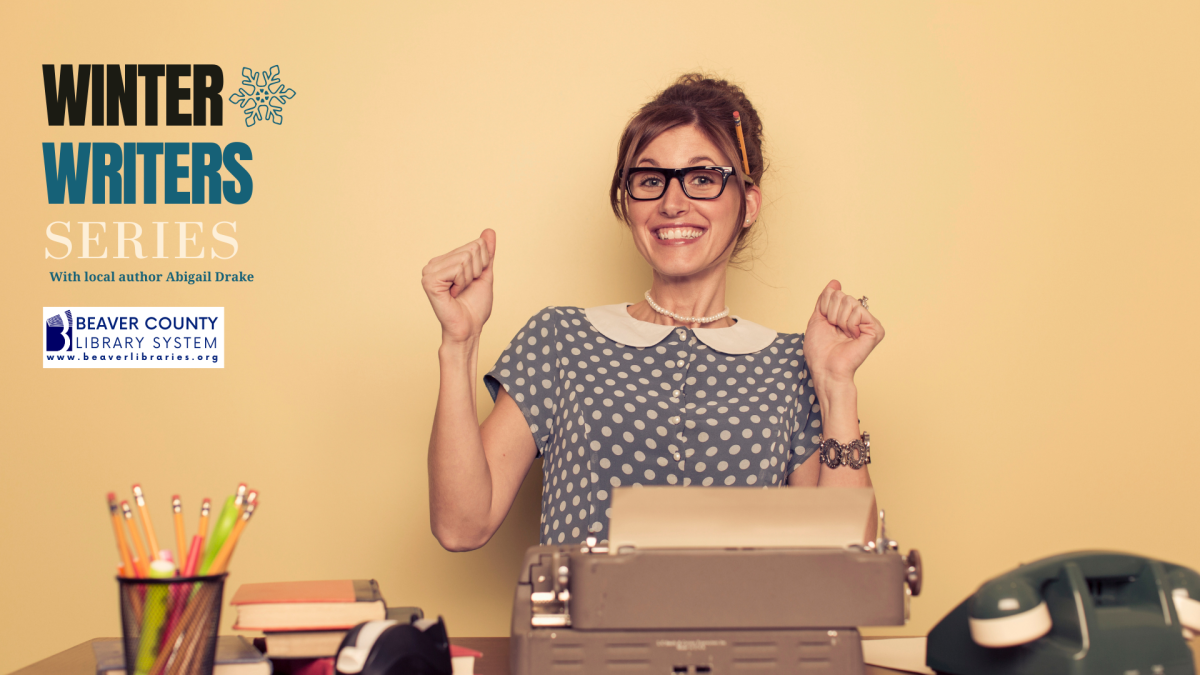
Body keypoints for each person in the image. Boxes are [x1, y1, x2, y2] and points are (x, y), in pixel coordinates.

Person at [422, 74, 884, 551]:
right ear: (628, 200)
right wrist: (459, 344)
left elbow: (845, 560)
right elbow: (462, 526)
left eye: (702, 179)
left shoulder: (792, 365)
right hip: (585, 625)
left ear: (747, 204)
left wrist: (836, 388)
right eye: (650, 180)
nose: (673, 203)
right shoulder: (560, 340)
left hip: (740, 628)